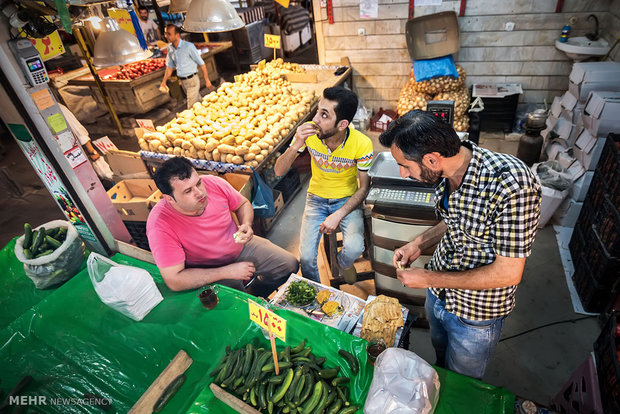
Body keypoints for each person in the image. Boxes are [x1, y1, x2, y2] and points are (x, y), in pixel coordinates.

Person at [379, 110, 542, 379]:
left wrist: (428, 277)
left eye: (406, 165)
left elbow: (508, 273)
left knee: (462, 381)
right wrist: (418, 244)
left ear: (432, 159)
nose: (403, 173)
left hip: (474, 315)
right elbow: (457, 218)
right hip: (439, 296)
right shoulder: (447, 171)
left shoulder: (512, 185)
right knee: (440, 361)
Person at [146, 157, 299, 296]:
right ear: (169, 199)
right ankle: (246, 301)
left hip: (240, 246)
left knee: (289, 265)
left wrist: (246, 224)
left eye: (198, 183)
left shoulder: (213, 183)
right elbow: (174, 280)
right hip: (207, 269)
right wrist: (226, 272)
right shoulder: (160, 224)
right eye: (188, 191)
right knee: (236, 307)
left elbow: (243, 204)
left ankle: (256, 294)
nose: (199, 193)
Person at [274, 87, 373, 283]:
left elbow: (363, 188)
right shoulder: (309, 135)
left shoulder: (362, 144)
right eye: (318, 111)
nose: (315, 120)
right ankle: (318, 297)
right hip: (316, 199)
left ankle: (343, 263)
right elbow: (278, 171)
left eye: (324, 115)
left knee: (354, 248)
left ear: (342, 124)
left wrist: (338, 214)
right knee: (307, 260)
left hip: (347, 199)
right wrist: (296, 144)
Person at [159, 24, 213, 109]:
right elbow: (169, 67)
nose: (166, 36)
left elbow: (202, 64)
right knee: (199, 103)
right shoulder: (170, 48)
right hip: (183, 82)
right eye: (165, 34)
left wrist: (207, 80)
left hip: (192, 81)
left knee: (191, 107)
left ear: (177, 35)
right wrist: (164, 82)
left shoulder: (188, 47)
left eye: (169, 34)